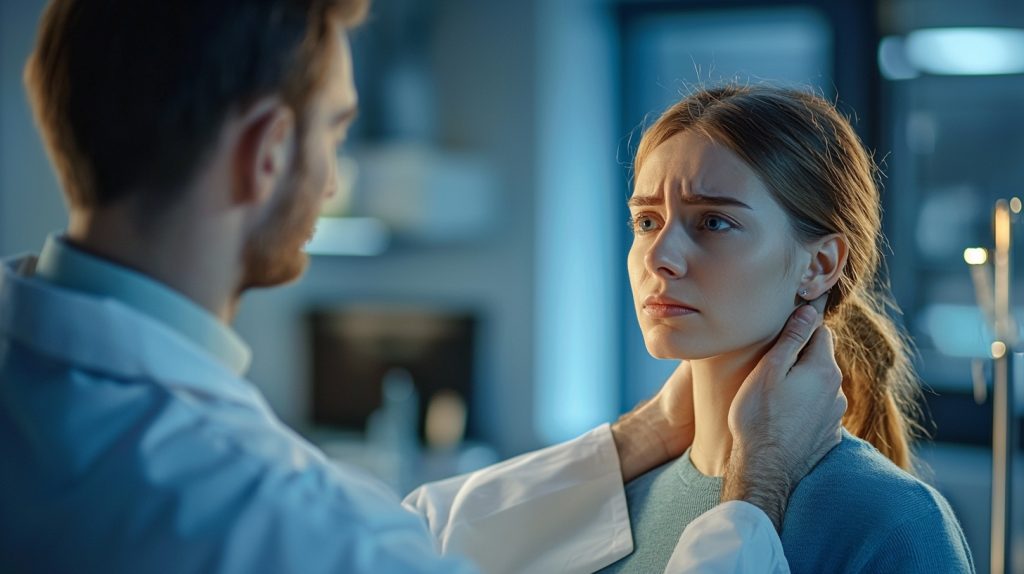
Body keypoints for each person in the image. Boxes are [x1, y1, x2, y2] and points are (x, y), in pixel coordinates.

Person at [0, 1, 843, 572]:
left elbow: (415, 534)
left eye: (714, 220)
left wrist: (634, 437)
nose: (332, 184)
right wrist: (756, 491)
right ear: (264, 153)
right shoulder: (263, 518)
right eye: (335, 131)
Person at [596, 85, 975, 573]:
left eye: (713, 222)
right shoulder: (614, 508)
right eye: (646, 221)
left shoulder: (893, 522)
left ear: (818, 264)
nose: (659, 258)